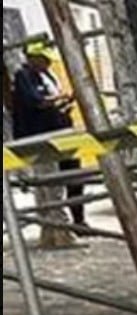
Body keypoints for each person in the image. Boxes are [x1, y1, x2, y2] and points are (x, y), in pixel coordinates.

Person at [12, 41, 83, 247]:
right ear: (32, 58)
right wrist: (58, 98)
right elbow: (37, 102)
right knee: (51, 186)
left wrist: (65, 102)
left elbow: (49, 104)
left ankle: (50, 233)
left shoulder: (47, 76)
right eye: (43, 59)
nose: (47, 63)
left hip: (55, 135)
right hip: (39, 138)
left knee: (48, 185)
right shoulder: (24, 76)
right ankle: (61, 232)